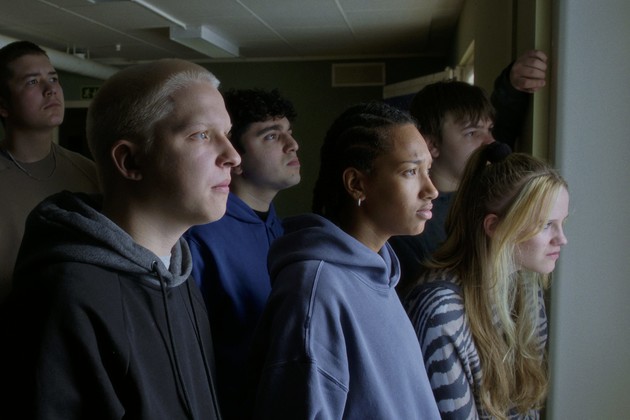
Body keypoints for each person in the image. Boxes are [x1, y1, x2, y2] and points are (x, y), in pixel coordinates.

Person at [0, 58, 241, 419]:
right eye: (201, 135)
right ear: (130, 161)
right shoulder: (66, 297)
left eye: (227, 134)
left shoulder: (180, 277)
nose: (233, 156)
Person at [245, 101, 441, 419]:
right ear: (356, 184)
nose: (431, 190)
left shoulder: (380, 272)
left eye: (427, 170)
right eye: (410, 171)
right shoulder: (315, 289)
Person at [404, 142, 569, 419]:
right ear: (494, 226)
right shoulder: (441, 313)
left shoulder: (527, 288)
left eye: (563, 223)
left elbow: (528, 410)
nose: (562, 239)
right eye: (545, 225)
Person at [390, 49, 549, 295]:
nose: (491, 142)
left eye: (489, 130)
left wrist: (513, 84)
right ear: (432, 145)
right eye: (472, 133)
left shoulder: (489, 187)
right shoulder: (410, 225)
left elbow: (505, 125)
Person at [184, 88, 300, 419]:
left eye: (289, 132)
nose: (292, 144)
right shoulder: (200, 238)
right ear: (234, 156)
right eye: (272, 136)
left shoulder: (287, 233)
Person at [0, 40, 99, 303]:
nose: (51, 89)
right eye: (33, 81)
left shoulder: (89, 173)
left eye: (53, 79)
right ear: (3, 105)